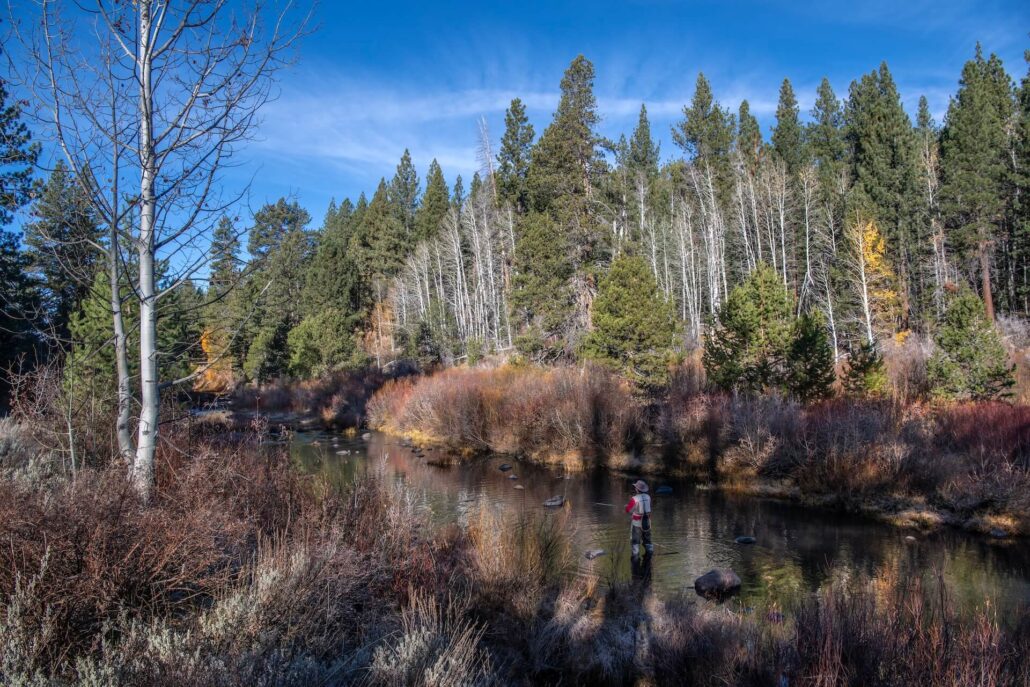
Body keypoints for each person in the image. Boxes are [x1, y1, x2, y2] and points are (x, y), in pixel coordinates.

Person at [625, 480, 653, 558]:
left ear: (637, 489)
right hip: (647, 522)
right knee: (648, 539)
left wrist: (626, 506)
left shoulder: (634, 499)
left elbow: (628, 510)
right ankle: (650, 555)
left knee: (635, 541)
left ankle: (635, 558)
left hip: (637, 523)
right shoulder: (648, 497)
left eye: (635, 488)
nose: (635, 489)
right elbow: (648, 507)